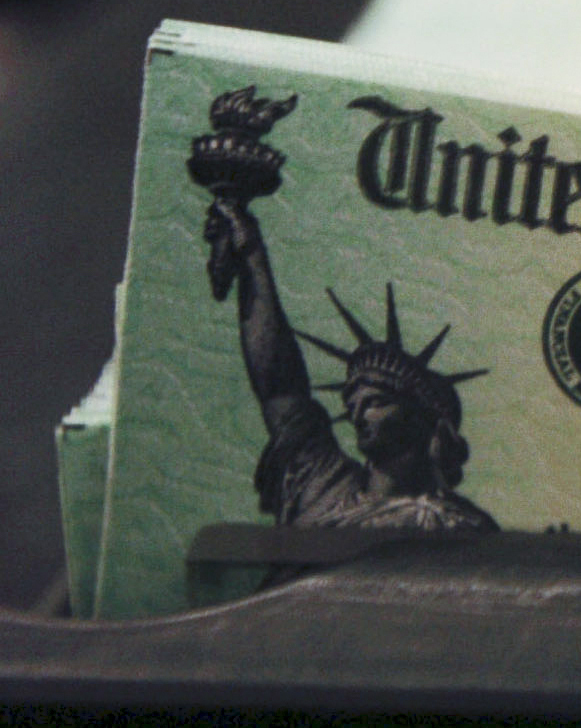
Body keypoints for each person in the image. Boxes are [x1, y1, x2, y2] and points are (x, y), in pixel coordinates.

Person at [204, 195, 497, 532]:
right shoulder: (326, 488)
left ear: (421, 418)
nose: (357, 415)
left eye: (375, 402)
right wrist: (252, 253)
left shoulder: (459, 527)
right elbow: (278, 387)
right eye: (352, 404)